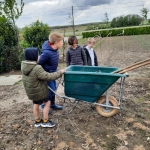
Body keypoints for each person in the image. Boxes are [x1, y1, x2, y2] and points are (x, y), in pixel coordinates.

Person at [21, 48, 65, 127]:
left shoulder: (24, 67)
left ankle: (37, 121)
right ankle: (45, 121)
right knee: (47, 103)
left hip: (31, 93)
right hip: (40, 92)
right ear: (33, 57)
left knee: (35, 104)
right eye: (37, 55)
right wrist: (60, 72)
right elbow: (48, 76)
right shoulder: (37, 68)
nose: (39, 56)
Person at [38, 32, 64, 110]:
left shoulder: (56, 50)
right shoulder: (46, 53)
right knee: (50, 91)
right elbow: (39, 63)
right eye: (61, 42)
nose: (62, 44)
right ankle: (44, 105)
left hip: (53, 73)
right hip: (47, 75)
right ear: (56, 42)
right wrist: (46, 71)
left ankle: (52, 104)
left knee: (54, 89)